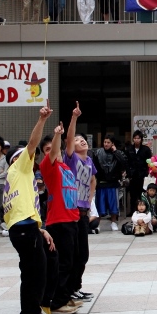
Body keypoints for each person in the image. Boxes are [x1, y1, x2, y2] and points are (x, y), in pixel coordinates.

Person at [3, 102, 56, 314]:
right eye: (25, 155)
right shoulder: (19, 168)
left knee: (39, 267)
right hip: (24, 229)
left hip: (25, 228)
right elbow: (33, 143)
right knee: (35, 273)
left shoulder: (19, 176)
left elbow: (22, 207)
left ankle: (38, 308)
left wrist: (41, 228)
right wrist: (42, 119)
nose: (31, 157)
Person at [40, 120, 83, 314]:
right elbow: (57, 147)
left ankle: (65, 296)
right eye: (48, 149)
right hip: (58, 222)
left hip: (71, 220)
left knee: (72, 261)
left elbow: (68, 143)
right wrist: (56, 135)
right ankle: (57, 302)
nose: (53, 151)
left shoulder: (65, 166)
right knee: (63, 263)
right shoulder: (48, 167)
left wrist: (73, 120)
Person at [64, 102, 95, 303]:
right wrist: (74, 118)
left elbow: (93, 180)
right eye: (77, 139)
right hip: (71, 212)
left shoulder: (89, 161)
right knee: (72, 254)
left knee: (83, 254)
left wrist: (91, 199)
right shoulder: (71, 158)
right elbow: (68, 140)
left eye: (83, 139)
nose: (81, 141)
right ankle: (68, 289)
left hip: (83, 211)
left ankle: (76, 286)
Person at [92, 135, 128, 231]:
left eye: (108, 142)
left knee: (113, 204)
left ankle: (113, 222)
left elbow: (124, 163)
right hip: (101, 183)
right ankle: (97, 224)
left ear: (112, 143)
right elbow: (93, 165)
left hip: (113, 183)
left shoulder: (118, 153)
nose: (106, 144)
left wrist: (115, 151)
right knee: (99, 204)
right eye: (105, 142)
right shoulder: (97, 152)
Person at [125, 130, 152, 218]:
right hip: (132, 176)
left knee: (143, 194)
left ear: (141, 139)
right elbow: (127, 162)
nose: (137, 140)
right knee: (133, 195)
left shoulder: (146, 149)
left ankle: (144, 210)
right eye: (135, 138)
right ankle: (133, 211)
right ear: (133, 139)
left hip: (143, 175)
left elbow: (149, 162)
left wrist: (148, 173)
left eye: (138, 138)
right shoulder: (129, 149)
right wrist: (128, 173)